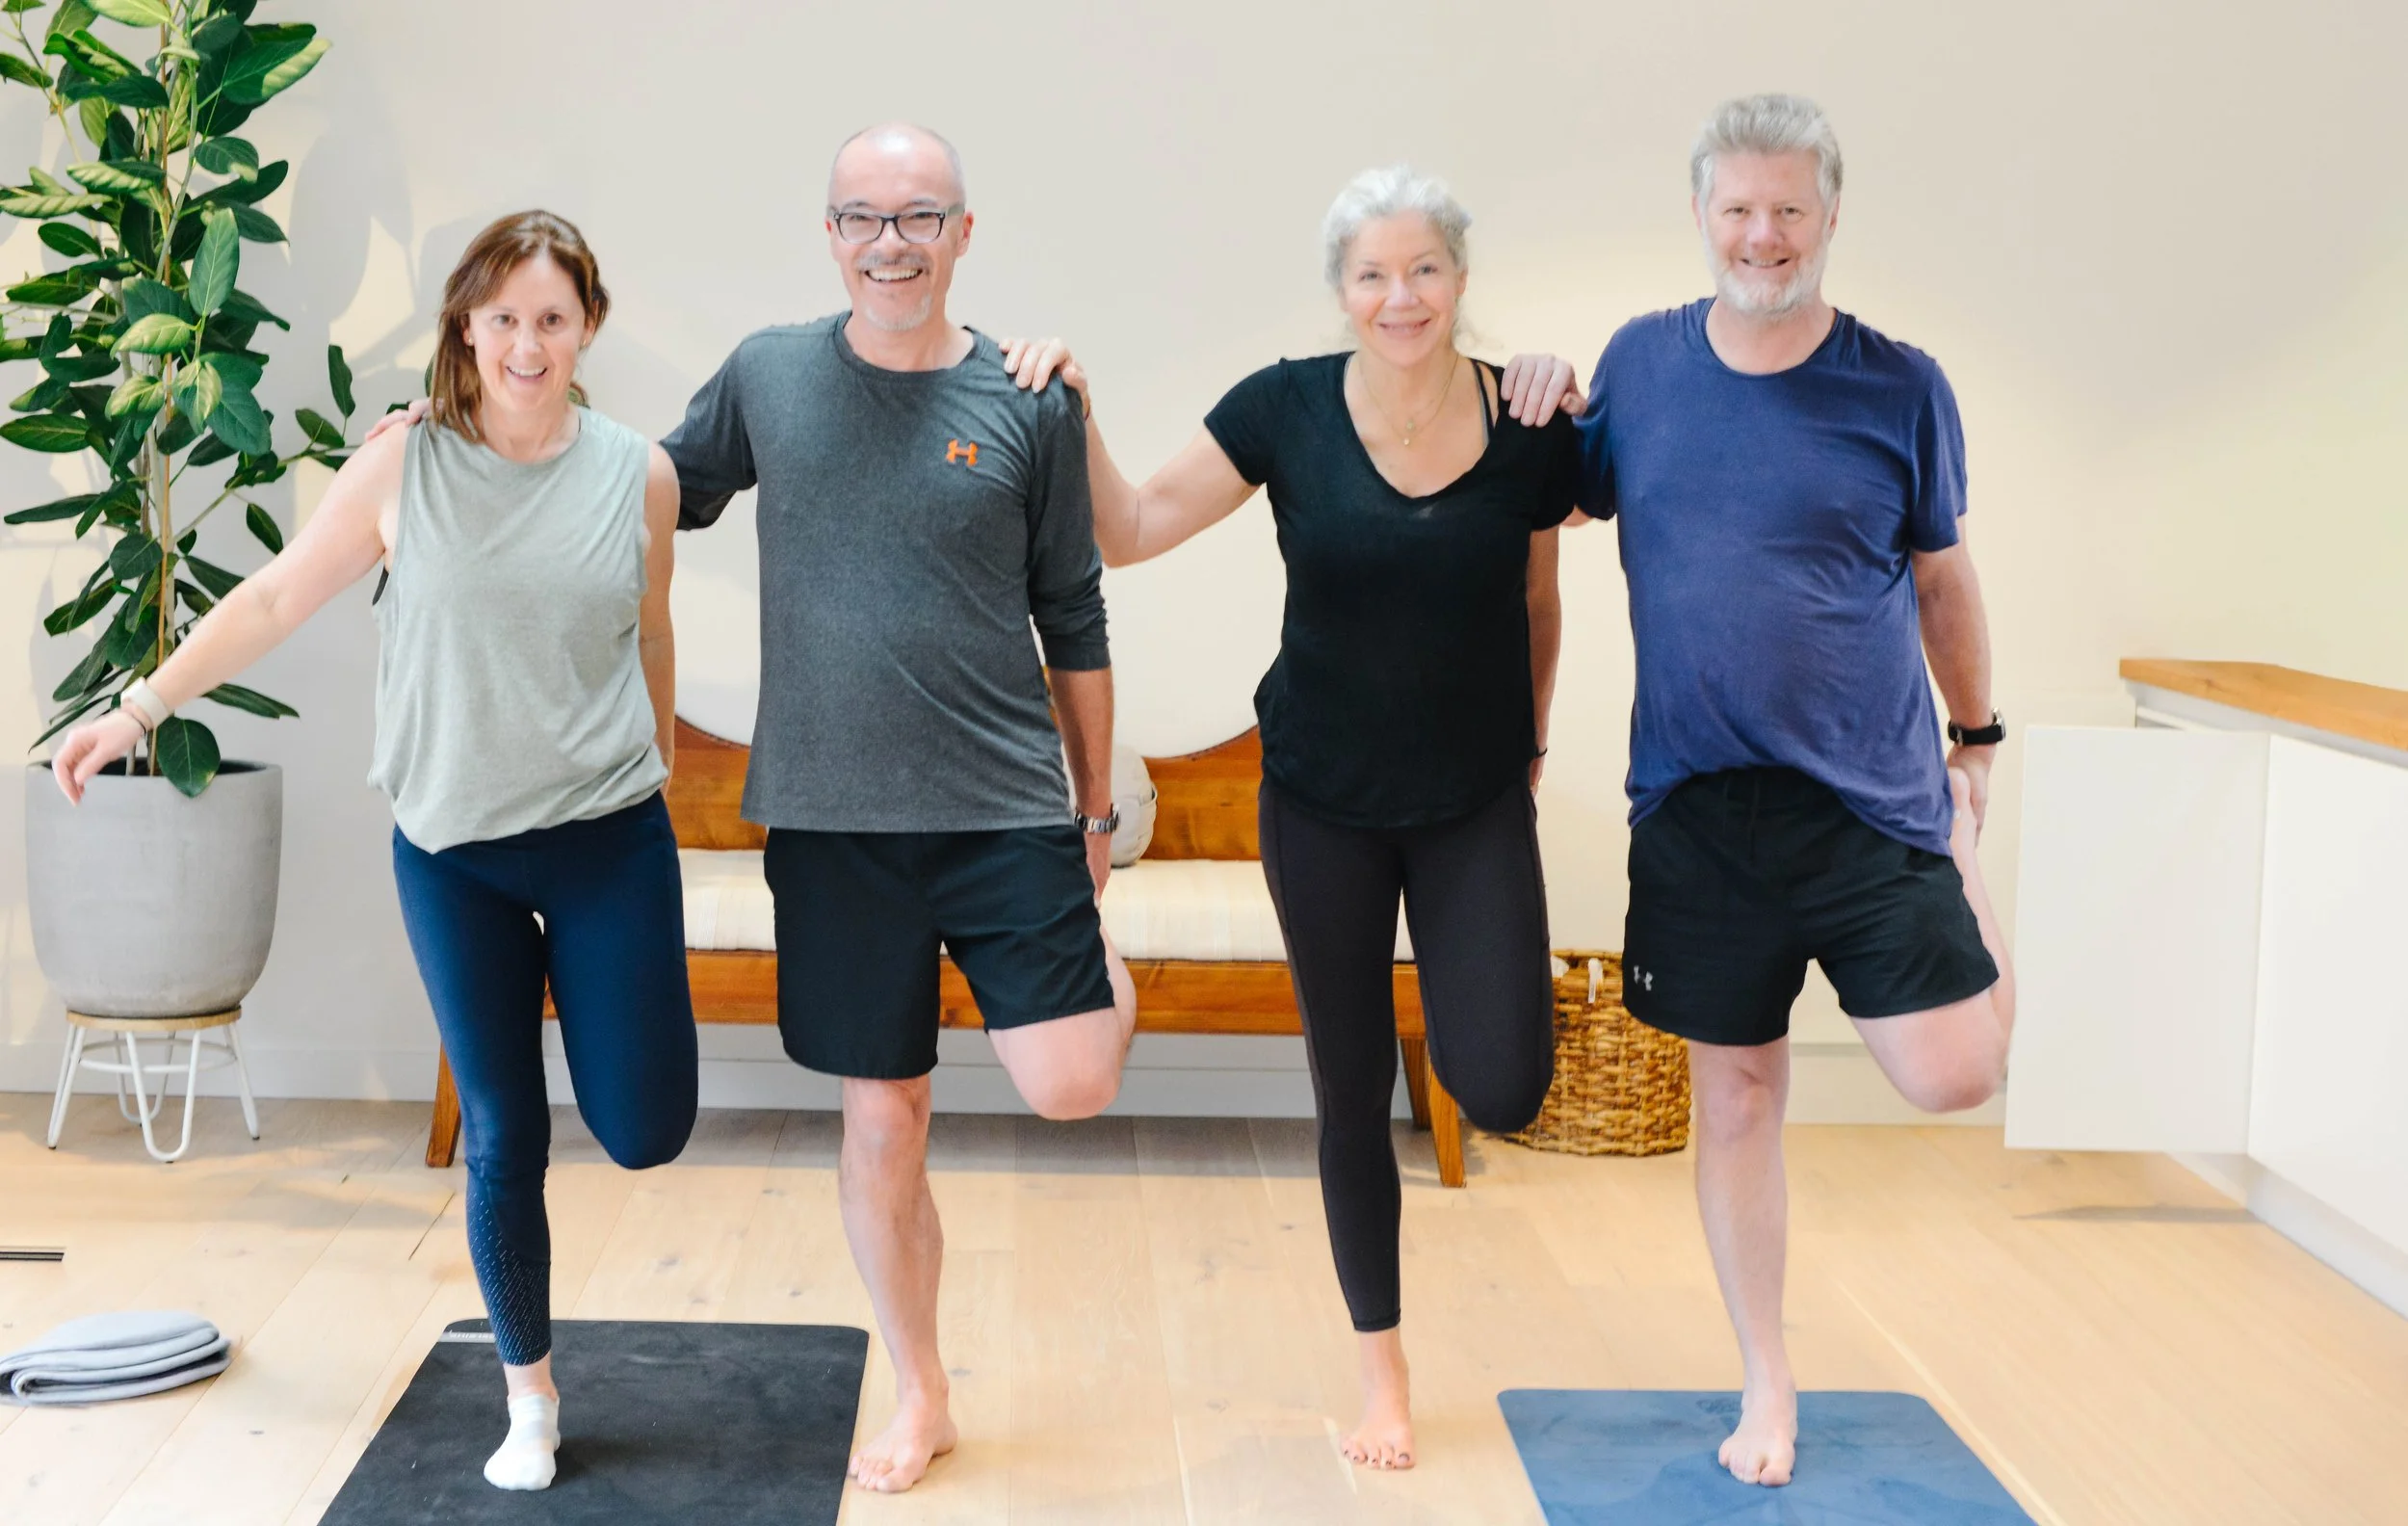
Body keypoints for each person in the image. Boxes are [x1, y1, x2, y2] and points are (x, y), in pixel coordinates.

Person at [53, 210, 696, 1492]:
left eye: (551, 318)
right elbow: (278, 596)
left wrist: (662, 764)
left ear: (587, 329)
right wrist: (139, 705)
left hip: (607, 841)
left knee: (645, 1131)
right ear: (467, 323)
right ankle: (529, 1397)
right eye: (501, 316)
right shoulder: (402, 466)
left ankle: (578, 1258)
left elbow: (652, 626)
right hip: (453, 851)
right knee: (505, 1130)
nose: (525, 342)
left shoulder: (639, 472)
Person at [1000, 163, 1571, 1471]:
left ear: (1462, 281)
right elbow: (1131, 523)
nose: (1400, 295)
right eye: (1372, 273)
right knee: (1350, 1084)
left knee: (1504, 1081)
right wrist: (1077, 403)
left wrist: (1533, 740)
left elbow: (1543, 606)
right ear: (1340, 292)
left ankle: (1394, 1337)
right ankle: (1384, 1373)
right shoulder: (1286, 409)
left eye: (1424, 268)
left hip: (1477, 797)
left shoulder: (1530, 424)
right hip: (1320, 803)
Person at [1503, 93, 2019, 1488]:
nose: (1763, 233)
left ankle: (1963, 889)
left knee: (1958, 1075)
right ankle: (1767, 1378)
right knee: (1733, 1097)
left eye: (1791, 207)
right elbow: (1557, 494)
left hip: (1867, 801)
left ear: (1832, 217)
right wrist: (1541, 379)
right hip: (1697, 804)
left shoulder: (1900, 385)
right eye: (1738, 206)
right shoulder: (1646, 364)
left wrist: (1975, 738)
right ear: (1700, 214)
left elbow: (1942, 574)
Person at [660, 123, 1137, 1494]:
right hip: (832, 821)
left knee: (1073, 1083)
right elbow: (646, 491)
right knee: (887, 1119)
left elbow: (1076, 608)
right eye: (863, 217)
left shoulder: (1027, 399)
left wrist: (1095, 812)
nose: (890, 242)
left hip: (1002, 811)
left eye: (919, 216)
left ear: (963, 235)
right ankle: (920, 1385)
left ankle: (1092, 977)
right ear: (829, 236)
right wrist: (466, 440)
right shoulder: (768, 377)